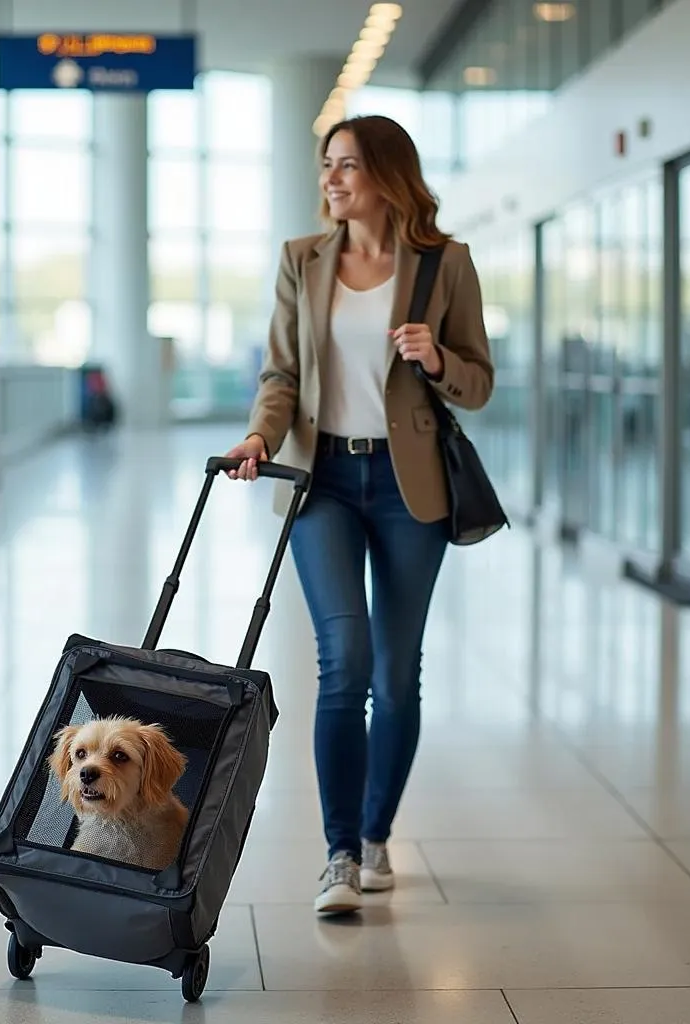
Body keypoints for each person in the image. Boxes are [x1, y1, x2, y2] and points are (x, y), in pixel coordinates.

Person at [225, 115, 494, 916]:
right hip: (324, 481)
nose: (331, 180)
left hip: (412, 490)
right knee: (344, 660)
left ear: (386, 174)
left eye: (346, 166)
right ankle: (339, 853)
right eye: (326, 166)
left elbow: (480, 382)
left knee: (396, 673)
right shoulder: (301, 261)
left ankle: (378, 835)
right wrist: (257, 435)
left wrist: (438, 359)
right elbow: (281, 373)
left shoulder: (445, 265)